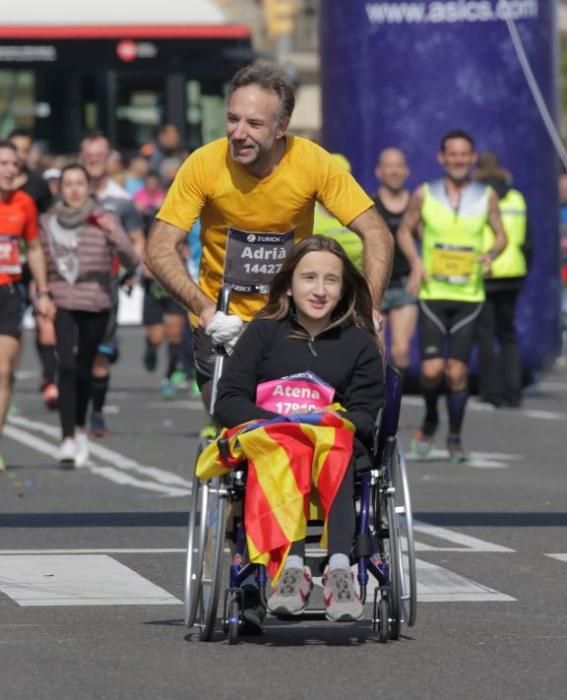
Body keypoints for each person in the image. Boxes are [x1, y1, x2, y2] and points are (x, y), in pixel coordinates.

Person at [145, 61, 394, 407]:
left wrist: (369, 307)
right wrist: (204, 309)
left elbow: (377, 233)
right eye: (232, 119)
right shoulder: (203, 165)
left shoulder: (312, 162)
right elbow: (158, 248)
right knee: (235, 424)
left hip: (291, 318)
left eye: (254, 123)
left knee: (297, 424)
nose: (238, 132)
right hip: (223, 321)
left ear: (281, 128)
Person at [213, 235, 384, 627]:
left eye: (331, 280)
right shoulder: (263, 333)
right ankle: (292, 566)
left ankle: (339, 569)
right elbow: (228, 400)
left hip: (335, 447)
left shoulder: (358, 343)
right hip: (273, 443)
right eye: (309, 278)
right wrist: (276, 423)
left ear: (344, 290)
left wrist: (328, 422)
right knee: (290, 446)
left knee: (332, 442)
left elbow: (366, 413)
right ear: (289, 284)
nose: (319, 290)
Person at [397, 130, 508, 461]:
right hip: (433, 293)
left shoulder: (486, 196)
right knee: (431, 371)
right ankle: (430, 420)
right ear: (441, 158)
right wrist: (416, 263)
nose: (458, 160)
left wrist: (490, 255)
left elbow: (501, 236)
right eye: (452, 154)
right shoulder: (424, 194)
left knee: (456, 372)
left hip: (469, 295)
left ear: (472, 158)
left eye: (464, 155)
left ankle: (455, 437)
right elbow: (404, 229)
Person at [40, 164, 138, 466]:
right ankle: (67, 436)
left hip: (96, 302)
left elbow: (130, 259)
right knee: (66, 366)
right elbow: (38, 260)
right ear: (60, 188)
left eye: (79, 183)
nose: (73, 189)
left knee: (84, 367)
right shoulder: (47, 221)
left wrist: (113, 234)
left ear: (88, 188)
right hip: (63, 300)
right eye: (68, 183)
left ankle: (81, 427)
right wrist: (41, 294)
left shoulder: (104, 218)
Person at [79, 132, 144, 436]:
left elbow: (136, 240)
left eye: (99, 156)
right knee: (74, 356)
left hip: (105, 289)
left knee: (100, 355)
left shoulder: (122, 201)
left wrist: (135, 270)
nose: (94, 160)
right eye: (89, 155)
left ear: (109, 159)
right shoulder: (67, 195)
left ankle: (97, 414)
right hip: (69, 289)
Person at [0, 141, 55, 470]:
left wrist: (44, 290)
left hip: (8, 294)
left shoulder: (24, 204)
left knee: (4, 371)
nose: (10, 170)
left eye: (14, 165)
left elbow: (33, 248)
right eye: (3, 163)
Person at [474, 152, 531, 407]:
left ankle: (492, 391)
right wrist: (522, 267)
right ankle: (514, 390)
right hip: (513, 273)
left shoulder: (478, 198)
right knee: (508, 335)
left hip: (486, 272)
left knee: (486, 335)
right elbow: (529, 241)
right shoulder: (517, 197)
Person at [373, 148, 417, 375]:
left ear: (406, 171)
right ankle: (377, 406)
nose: (394, 171)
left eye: (399, 165)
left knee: (401, 351)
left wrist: (419, 270)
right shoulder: (369, 205)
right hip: (377, 285)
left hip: (403, 284)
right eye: (389, 166)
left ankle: (397, 405)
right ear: (379, 171)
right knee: (378, 352)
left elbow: (429, 242)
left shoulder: (415, 204)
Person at [312, 154, 364, 270]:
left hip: (356, 282)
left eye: (343, 179)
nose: (337, 185)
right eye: (331, 178)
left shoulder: (361, 212)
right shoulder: (307, 212)